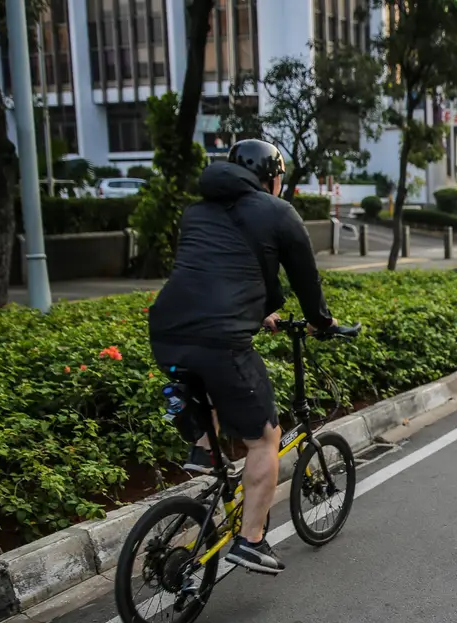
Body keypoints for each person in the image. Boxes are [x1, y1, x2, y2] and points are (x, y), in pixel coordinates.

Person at [149, 138, 351, 576]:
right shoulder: (278, 212)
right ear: (272, 178)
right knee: (265, 439)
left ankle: (202, 449)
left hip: (167, 332)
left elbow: (220, 271)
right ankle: (251, 540)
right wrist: (322, 322)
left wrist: (261, 312)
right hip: (221, 340)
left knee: (209, 382)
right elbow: (305, 281)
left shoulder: (196, 212)